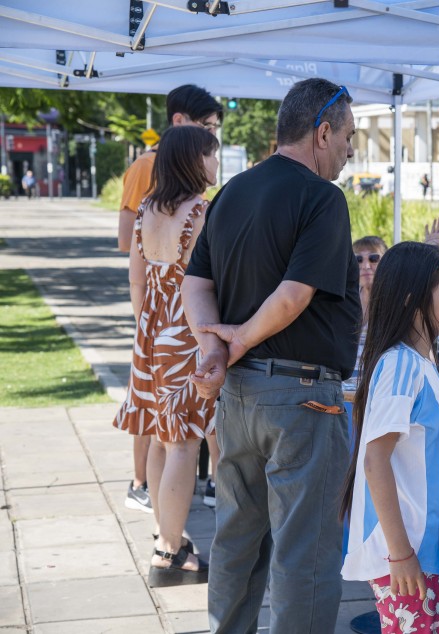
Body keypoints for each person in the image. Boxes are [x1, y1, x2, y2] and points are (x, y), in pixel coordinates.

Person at [182, 78, 361, 633]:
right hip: (302, 399)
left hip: (240, 397)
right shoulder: (322, 197)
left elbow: (195, 284)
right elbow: (293, 296)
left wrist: (217, 347)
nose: (350, 150)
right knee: (303, 555)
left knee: (237, 541)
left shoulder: (233, 190)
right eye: (349, 136)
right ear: (322, 131)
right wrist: (229, 342)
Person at [340, 242, 439, 633]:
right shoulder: (401, 365)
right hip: (407, 558)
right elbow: (375, 461)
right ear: (413, 299)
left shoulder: (419, 362)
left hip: (430, 556)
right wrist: (401, 554)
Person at [112, 126, 220, 587]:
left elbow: (138, 279)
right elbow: (209, 282)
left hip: (151, 330)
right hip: (187, 332)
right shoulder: (200, 211)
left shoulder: (147, 211)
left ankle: (165, 535)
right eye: (212, 155)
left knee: (161, 435)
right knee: (183, 443)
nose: (216, 164)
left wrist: (149, 326)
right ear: (194, 160)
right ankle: (169, 549)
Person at [353, 235, 388, 374]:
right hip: (347, 379)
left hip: (381, 376)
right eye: (358, 259)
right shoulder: (345, 300)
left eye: (373, 258)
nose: (365, 266)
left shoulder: (395, 300)